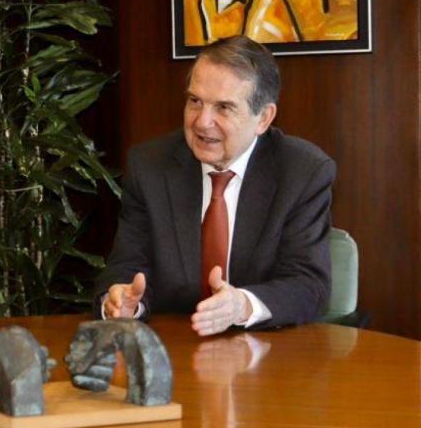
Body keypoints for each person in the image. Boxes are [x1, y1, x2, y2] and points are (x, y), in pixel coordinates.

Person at [96, 35, 335, 336]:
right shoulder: (150, 166)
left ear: (263, 118)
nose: (202, 122)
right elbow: (128, 265)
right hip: (175, 347)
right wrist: (121, 302)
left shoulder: (303, 172)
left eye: (224, 108)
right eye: (195, 101)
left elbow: (308, 284)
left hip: (269, 354)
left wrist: (242, 305)